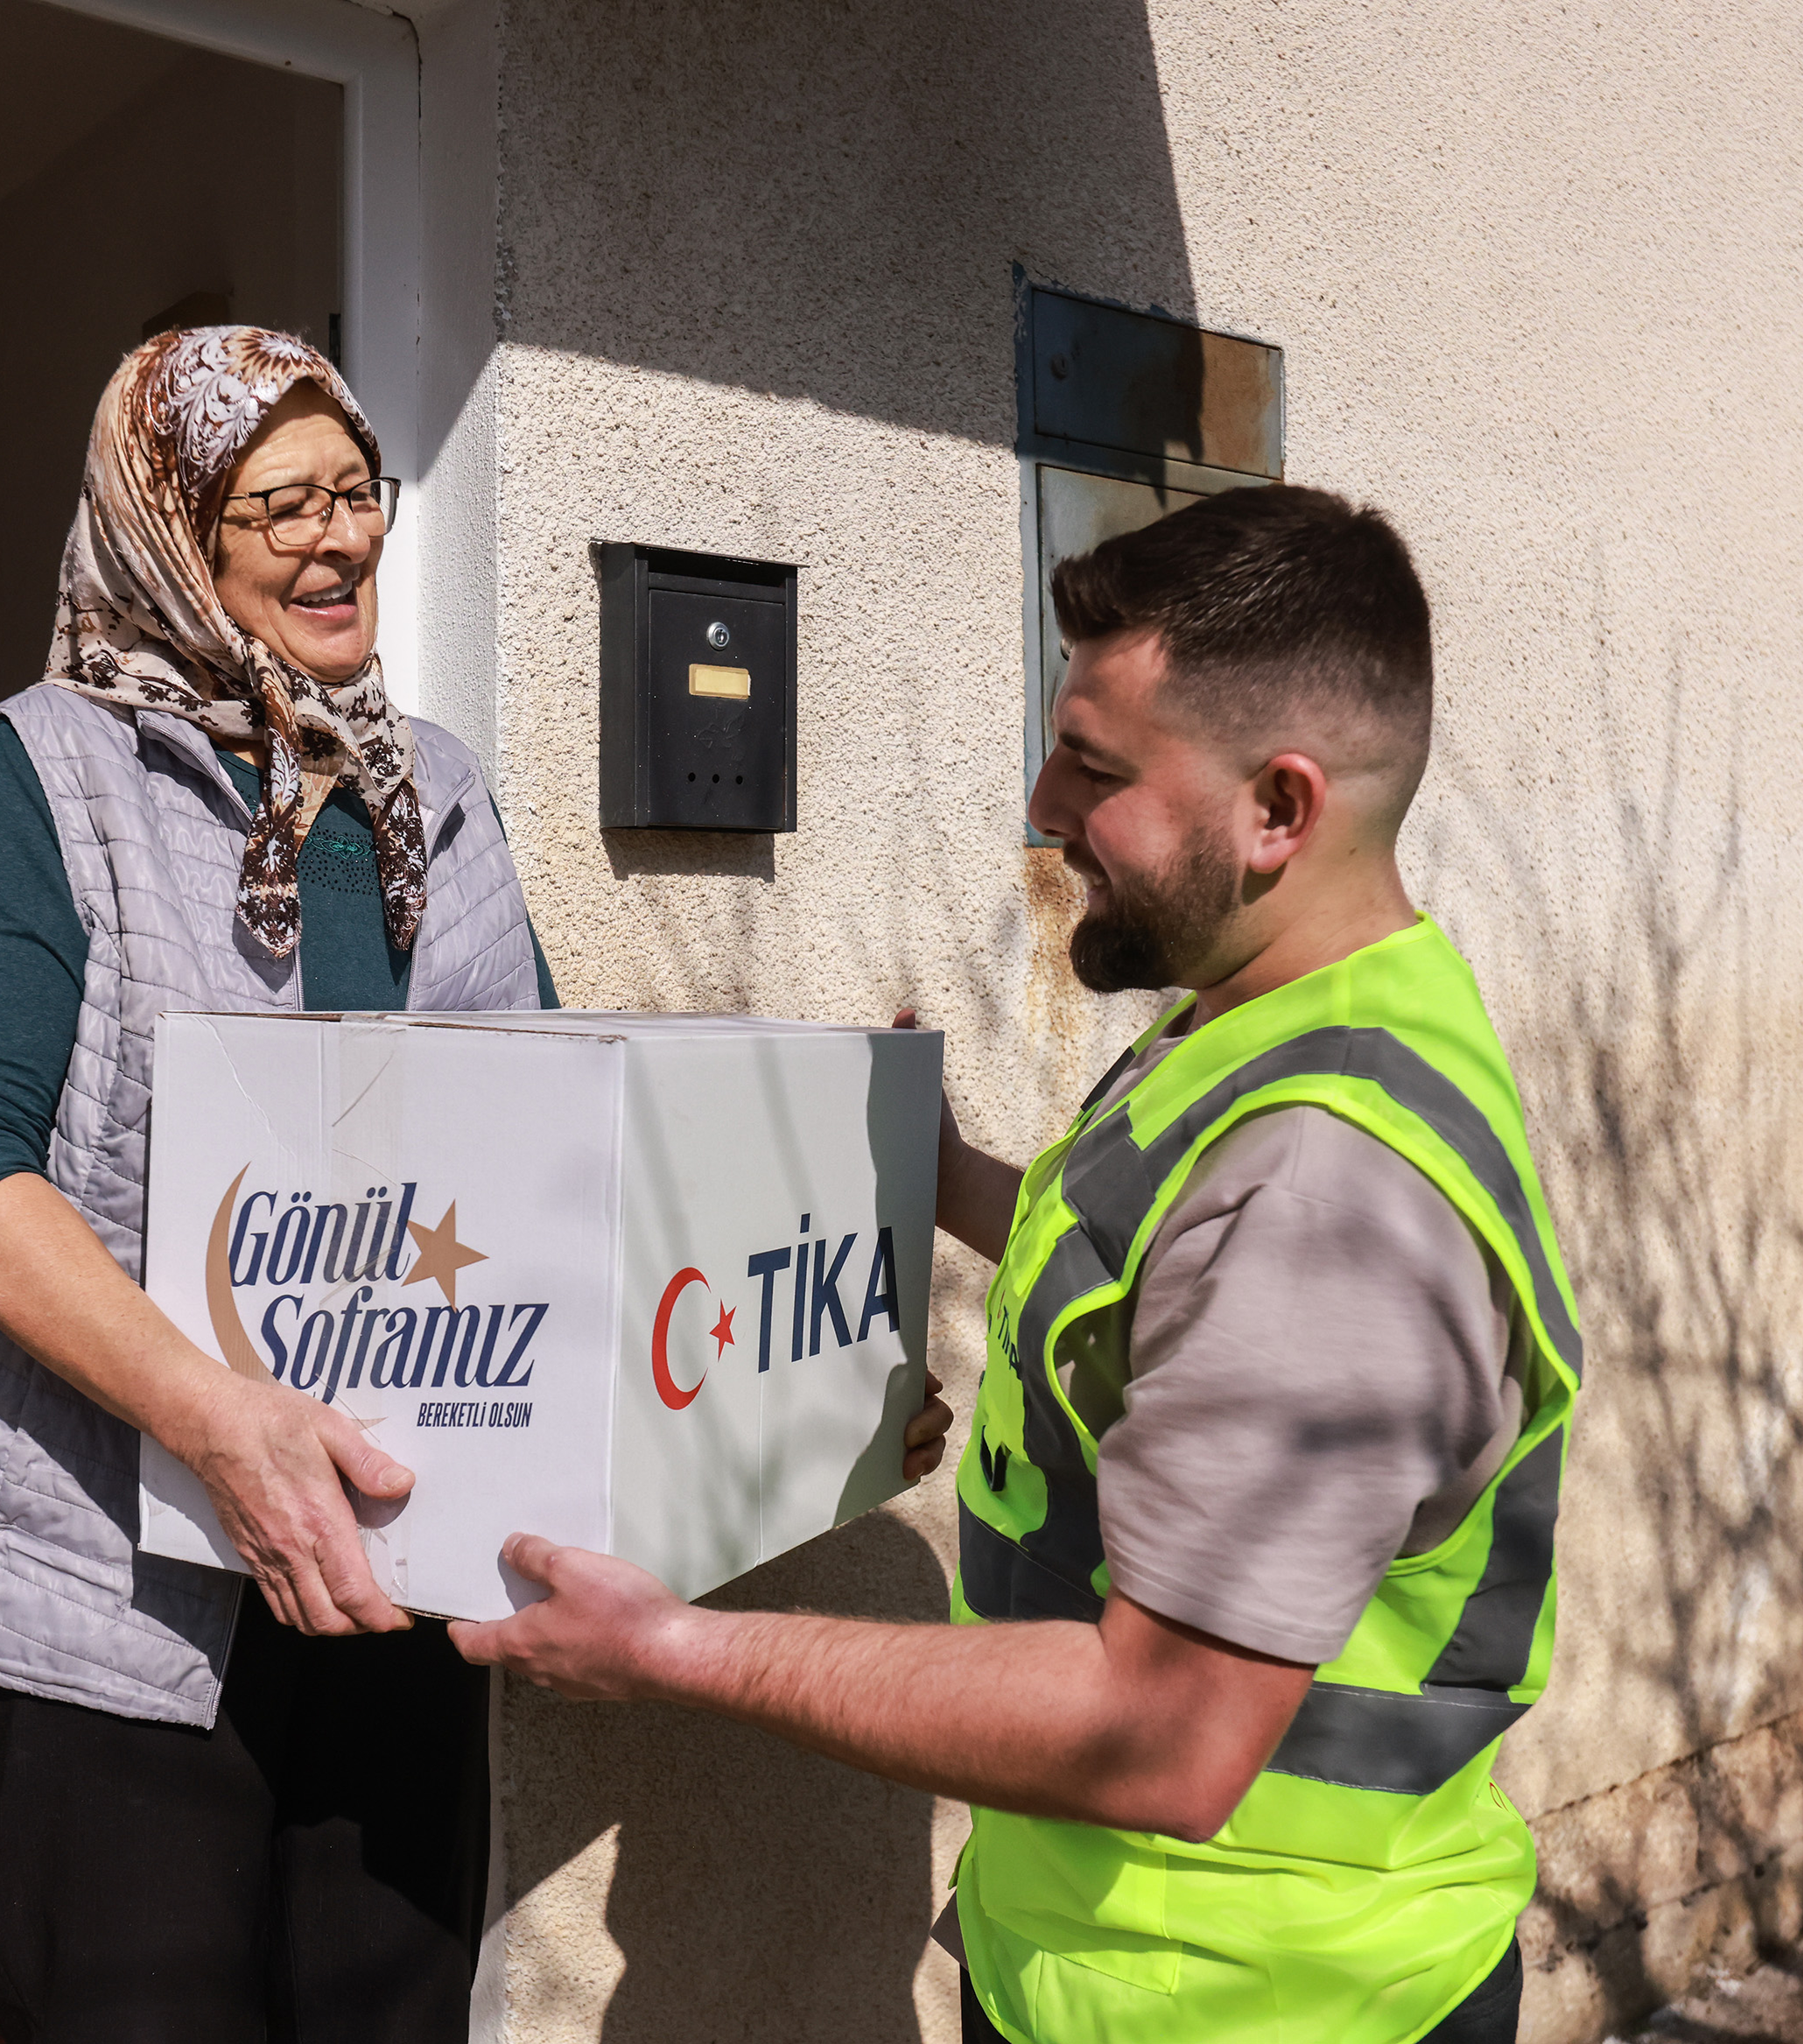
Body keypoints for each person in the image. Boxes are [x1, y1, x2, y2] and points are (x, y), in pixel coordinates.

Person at [451, 485, 1580, 2044]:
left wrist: (668, 1646)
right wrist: (937, 1174)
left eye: (1097, 770)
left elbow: (1164, 1735)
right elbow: (1158, 1288)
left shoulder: (1331, 1194)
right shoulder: (1272, 1025)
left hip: (1263, 2007)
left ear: (1279, 808)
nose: (1044, 807)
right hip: (1112, 1972)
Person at [0, 326, 557, 2044]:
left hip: (387, 1552)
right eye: (281, 506)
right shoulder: (57, 767)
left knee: (389, 2011)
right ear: (171, 533)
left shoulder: (436, 790)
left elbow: (552, 1135)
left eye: (357, 492)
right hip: (103, 1578)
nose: (342, 538)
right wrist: (213, 1417)